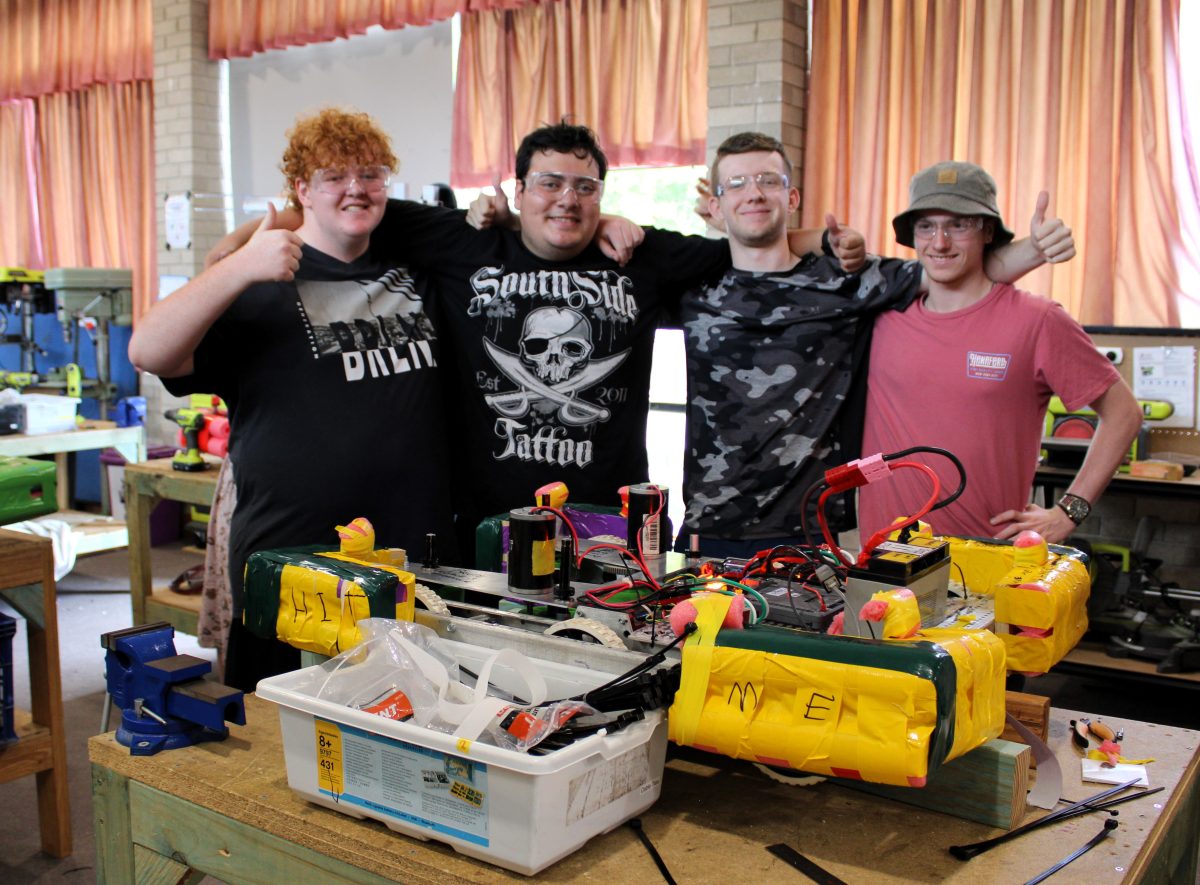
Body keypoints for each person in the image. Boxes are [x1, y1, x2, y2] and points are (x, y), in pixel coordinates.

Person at [215, 121, 854, 564]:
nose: (566, 200)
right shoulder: (462, 241)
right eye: (548, 183)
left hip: (609, 523)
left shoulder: (643, 255)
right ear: (517, 191)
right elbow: (333, 208)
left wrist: (826, 244)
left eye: (585, 188)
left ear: (602, 195)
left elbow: (749, 249)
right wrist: (238, 252)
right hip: (481, 523)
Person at [129, 108, 458, 690]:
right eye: (334, 175)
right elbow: (149, 351)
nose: (356, 188)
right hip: (294, 565)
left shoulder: (419, 272)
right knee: (282, 738)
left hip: (408, 560)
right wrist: (236, 268)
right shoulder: (256, 284)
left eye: (371, 174)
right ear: (301, 188)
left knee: (408, 726)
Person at [674, 134, 1079, 559]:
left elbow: (959, 269)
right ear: (715, 207)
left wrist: (1036, 249)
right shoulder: (690, 285)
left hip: (811, 533)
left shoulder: (846, 280)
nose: (754, 193)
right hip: (708, 526)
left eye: (767, 181)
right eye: (736, 184)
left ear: (791, 197)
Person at [857, 161, 1143, 545]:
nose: (939, 242)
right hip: (885, 554)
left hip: (988, 557)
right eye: (927, 226)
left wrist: (1069, 512)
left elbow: (1125, 413)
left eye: (958, 225)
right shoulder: (879, 317)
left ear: (988, 231)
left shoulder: (1038, 320)